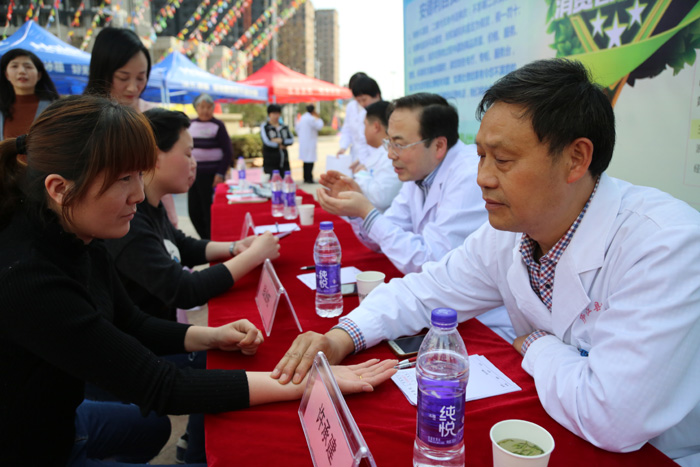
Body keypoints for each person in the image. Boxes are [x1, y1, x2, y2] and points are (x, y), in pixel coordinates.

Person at [272, 59, 700, 465]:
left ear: (576, 159)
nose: (482, 178)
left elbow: (613, 415)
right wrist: (342, 337)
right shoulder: (510, 232)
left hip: (657, 455)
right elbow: (424, 290)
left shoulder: (664, 245)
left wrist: (538, 345)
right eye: (480, 156)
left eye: (503, 160)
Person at [0, 95, 397, 466]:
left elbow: (130, 322)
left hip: (64, 418)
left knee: (152, 429)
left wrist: (212, 335)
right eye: (123, 179)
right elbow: (161, 386)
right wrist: (308, 382)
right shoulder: (29, 279)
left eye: (138, 174)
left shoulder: (79, 231)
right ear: (59, 189)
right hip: (33, 446)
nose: (137, 193)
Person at [106, 107, 279, 322]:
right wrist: (254, 255)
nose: (194, 164)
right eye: (188, 154)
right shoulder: (128, 222)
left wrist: (235, 247)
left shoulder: (151, 205)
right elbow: (184, 289)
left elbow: (180, 244)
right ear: (154, 157)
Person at [317, 92, 486, 275]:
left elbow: (431, 263)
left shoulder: (469, 177)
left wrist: (367, 212)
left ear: (438, 146)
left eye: (399, 144)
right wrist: (356, 210)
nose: (390, 154)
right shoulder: (419, 172)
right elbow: (380, 239)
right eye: (389, 142)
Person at [187, 93, 234, 240]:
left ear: (213, 108)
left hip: (211, 176)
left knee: (209, 210)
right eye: (202, 107)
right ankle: (205, 238)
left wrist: (220, 173)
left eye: (208, 107)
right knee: (193, 211)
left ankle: (211, 240)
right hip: (193, 174)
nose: (205, 110)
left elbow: (228, 152)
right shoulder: (190, 125)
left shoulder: (218, 125)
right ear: (196, 108)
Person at [341, 99, 402, 212]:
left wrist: (362, 174)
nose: (363, 131)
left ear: (376, 127)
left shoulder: (390, 156)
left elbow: (381, 198)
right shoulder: (380, 152)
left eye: (364, 125)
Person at [84, 27, 151, 112]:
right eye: (123, 78)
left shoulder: (153, 116)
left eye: (140, 78)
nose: (132, 88)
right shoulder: (81, 117)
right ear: (101, 74)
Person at [0, 48, 59, 140]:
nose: (22, 71)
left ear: (39, 75)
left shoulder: (54, 108)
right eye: (14, 66)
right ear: (6, 75)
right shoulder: (2, 107)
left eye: (28, 67)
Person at [337, 71, 367, 161]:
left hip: (369, 156)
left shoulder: (372, 106)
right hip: (355, 154)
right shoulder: (351, 106)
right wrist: (343, 147)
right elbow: (347, 129)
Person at [260, 103, 294, 175]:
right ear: (269, 114)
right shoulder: (265, 127)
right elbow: (267, 141)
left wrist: (281, 140)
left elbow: (291, 140)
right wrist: (279, 145)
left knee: (286, 180)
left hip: (284, 162)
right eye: (274, 113)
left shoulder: (284, 127)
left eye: (278, 113)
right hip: (270, 163)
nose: (276, 116)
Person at [296, 104, 324, 183]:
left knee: (305, 161)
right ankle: (309, 178)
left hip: (303, 142)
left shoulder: (302, 118)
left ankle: (306, 177)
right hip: (310, 142)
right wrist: (318, 118)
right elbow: (319, 126)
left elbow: (297, 128)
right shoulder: (311, 119)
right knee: (310, 161)